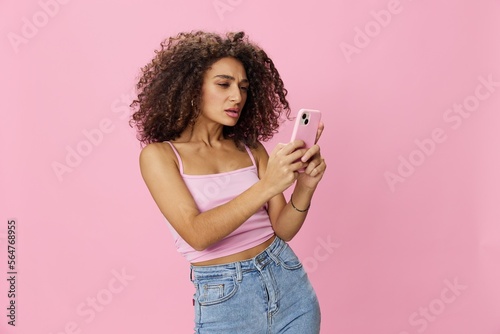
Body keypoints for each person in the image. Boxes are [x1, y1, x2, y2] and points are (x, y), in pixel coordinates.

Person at [130, 31, 326, 334]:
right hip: (225, 298)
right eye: (224, 84)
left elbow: (283, 229)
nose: (237, 96)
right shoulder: (160, 156)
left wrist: (305, 187)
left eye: (244, 87)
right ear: (190, 87)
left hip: (288, 284)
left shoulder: (250, 148)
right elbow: (197, 234)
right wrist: (267, 185)